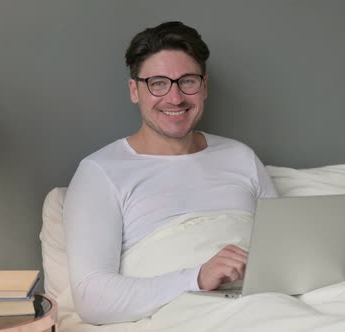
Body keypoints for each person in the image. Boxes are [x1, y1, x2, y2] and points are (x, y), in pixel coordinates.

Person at [63, 21, 278, 325]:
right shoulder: (100, 172)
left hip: (268, 308)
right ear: (134, 90)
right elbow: (92, 297)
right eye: (158, 83)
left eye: (187, 81)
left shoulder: (241, 156)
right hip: (190, 318)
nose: (175, 99)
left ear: (204, 86)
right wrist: (198, 278)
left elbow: (285, 257)